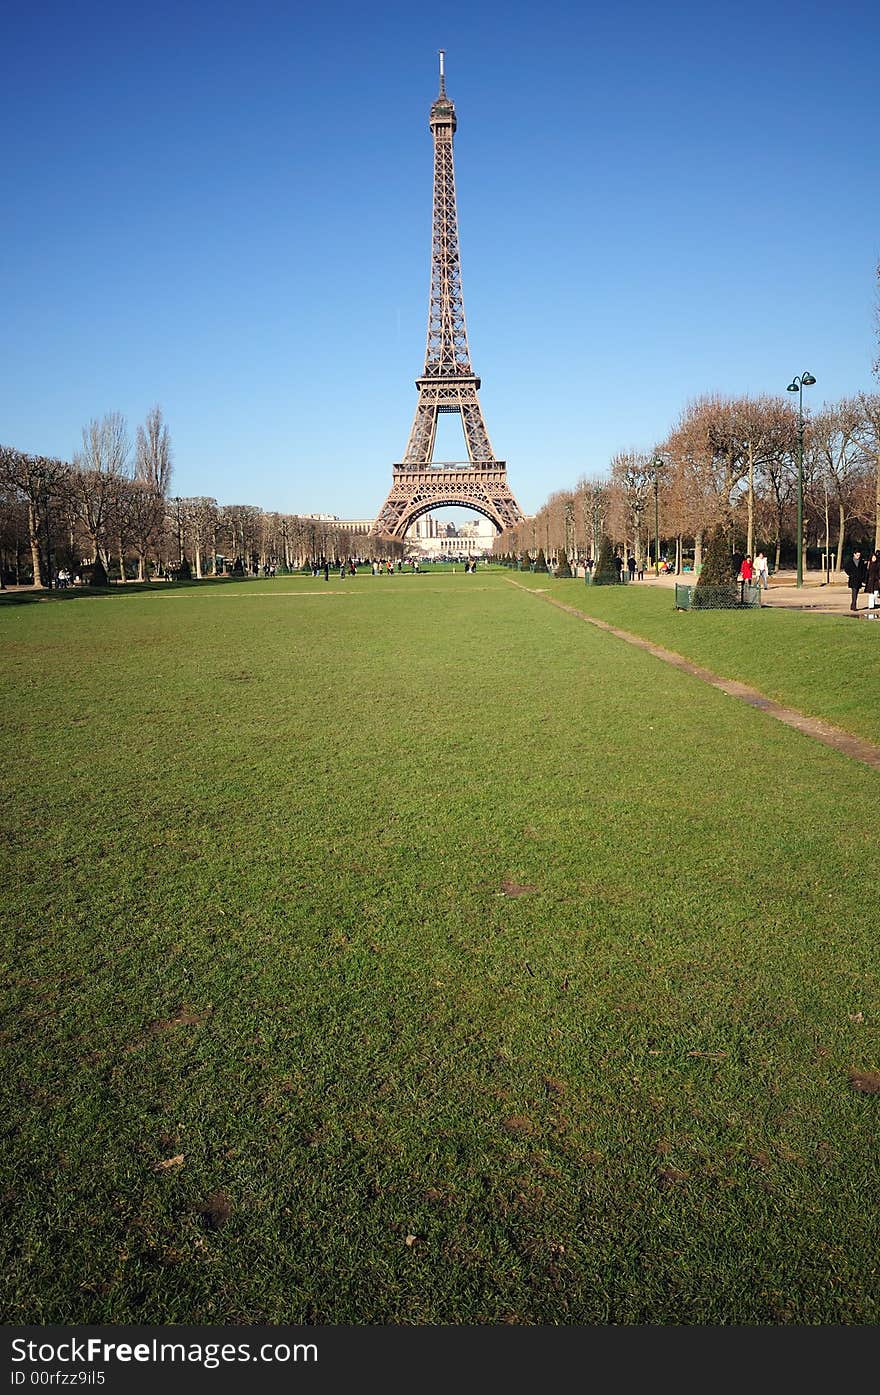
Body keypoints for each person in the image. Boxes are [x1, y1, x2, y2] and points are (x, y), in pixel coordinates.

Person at [865, 550, 879, 617]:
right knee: (871, 593)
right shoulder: (869, 565)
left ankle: (873, 603)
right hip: (870, 580)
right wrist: (865, 581)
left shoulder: (878, 564)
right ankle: (871, 606)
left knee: (875, 593)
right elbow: (867, 573)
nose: (874, 559)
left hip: (876, 580)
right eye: (873, 558)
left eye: (875, 558)